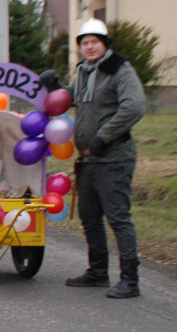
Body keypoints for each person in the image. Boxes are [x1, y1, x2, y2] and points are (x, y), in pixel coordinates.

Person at [41, 18, 146, 298]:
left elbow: (134, 107)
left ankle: (130, 281)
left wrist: (104, 136)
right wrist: (56, 88)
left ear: (105, 44)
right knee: (89, 216)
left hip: (114, 158)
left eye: (94, 41)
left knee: (118, 218)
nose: (89, 46)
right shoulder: (85, 72)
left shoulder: (119, 69)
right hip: (88, 160)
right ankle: (98, 272)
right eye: (84, 42)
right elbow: (71, 98)